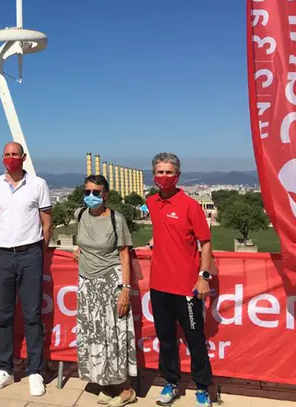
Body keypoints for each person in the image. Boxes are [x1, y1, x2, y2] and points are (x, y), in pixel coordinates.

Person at [0, 142, 53, 397]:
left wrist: (37, 249)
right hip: (1, 255)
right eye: (7, 154)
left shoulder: (38, 184)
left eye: (15, 154)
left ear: (24, 157)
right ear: (3, 158)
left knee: (33, 315)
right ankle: (5, 368)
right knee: (3, 315)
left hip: (30, 255)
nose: (11, 158)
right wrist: (1, 241)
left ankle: (35, 371)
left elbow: (47, 222)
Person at [144, 152, 214, 407]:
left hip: (187, 287)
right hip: (158, 286)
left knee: (195, 341)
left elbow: (205, 243)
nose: (164, 177)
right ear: (154, 176)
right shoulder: (151, 202)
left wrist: (203, 277)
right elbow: (163, 233)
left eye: (168, 172)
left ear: (178, 175)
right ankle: (171, 383)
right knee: (166, 340)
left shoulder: (190, 205)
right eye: (160, 172)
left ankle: (203, 387)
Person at [73, 175, 137, 407]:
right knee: (94, 335)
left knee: (114, 336)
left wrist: (125, 290)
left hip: (111, 282)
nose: (91, 196)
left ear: (105, 194)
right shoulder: (80, 214)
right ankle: (105, 382)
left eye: (97, 192)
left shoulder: (116, 219)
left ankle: (126, 388)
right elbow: (83, 239)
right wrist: (79, 248)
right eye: (88, 191)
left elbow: (124, 256)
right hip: (86, 283)